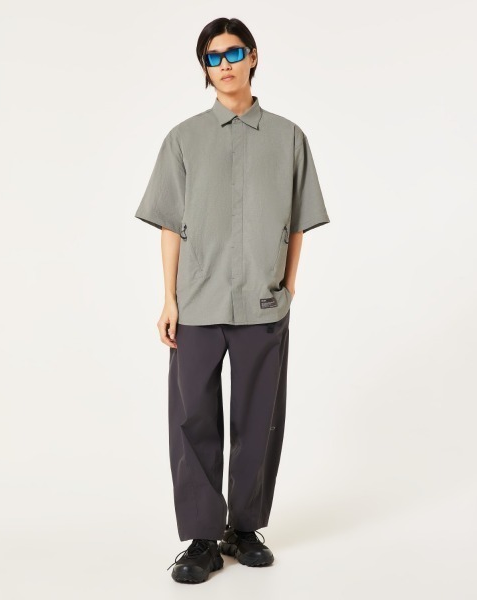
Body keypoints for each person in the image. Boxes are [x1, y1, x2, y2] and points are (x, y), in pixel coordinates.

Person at [134, 17, 330, 584]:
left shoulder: (289, 138)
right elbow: (169, 224)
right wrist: (168, 299)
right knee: (193, 417)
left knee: (259, 417)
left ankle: (244, 529)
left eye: (233, 52)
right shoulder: (183, 139)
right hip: (197, 303)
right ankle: (201, 538)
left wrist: (287, 287)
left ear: (253, 57)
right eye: (213, 56)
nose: (224, 64)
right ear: (204, 67)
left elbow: (298, 221)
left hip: (264, 305)